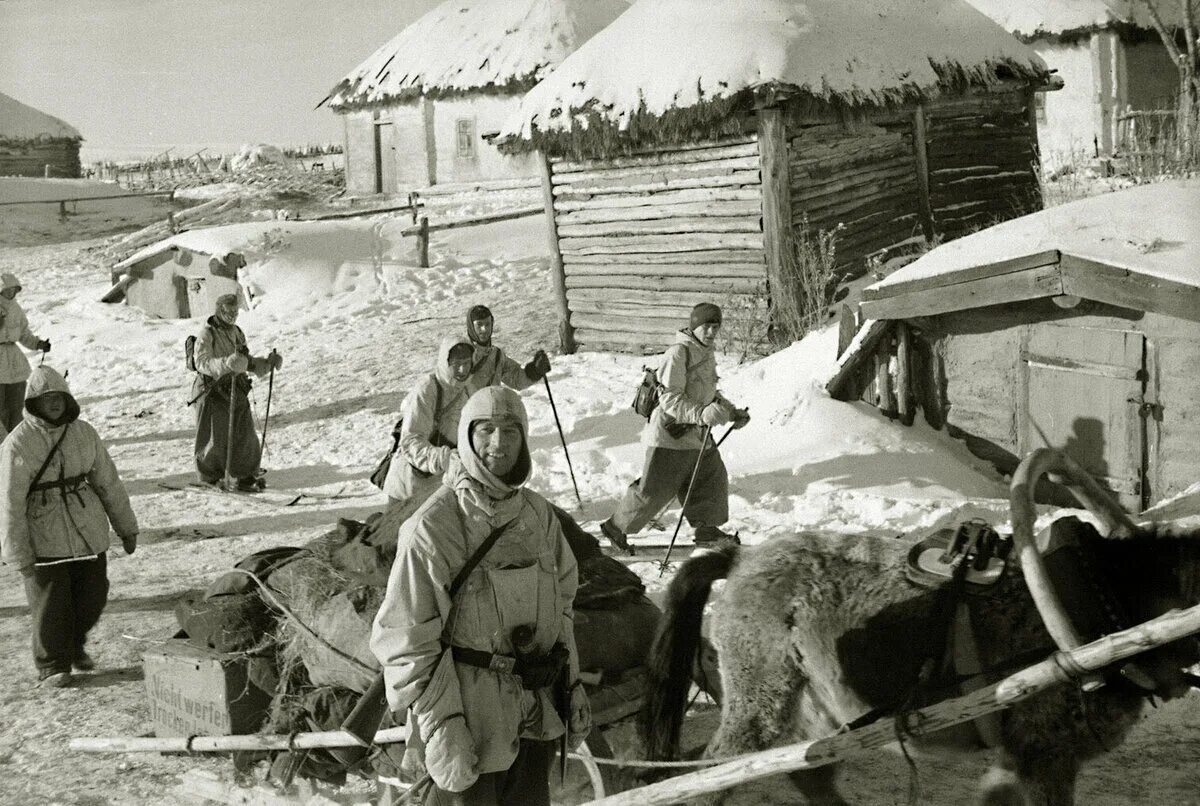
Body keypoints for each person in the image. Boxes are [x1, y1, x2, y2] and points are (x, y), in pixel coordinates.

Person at [370, 386, 590, 806]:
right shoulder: (434, 527)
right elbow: (405, 642)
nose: (498, 443)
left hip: (533, 715)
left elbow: (563, 605)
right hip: (467, 722)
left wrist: (572, 684)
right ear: (465, 437)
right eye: (485, 429)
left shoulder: (538, 515)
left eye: (511, 430)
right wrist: (442, 726)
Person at [0, 366, 138, 688]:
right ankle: (52, 665)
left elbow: (108, 482)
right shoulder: (17, 444)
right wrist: (18, 553)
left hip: (87, 530)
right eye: (46, 399)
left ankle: (74, 644)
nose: (54, 404)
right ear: (34, 402)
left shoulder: (84, 433)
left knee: (93, 596)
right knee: (50, 605)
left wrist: (126, 526)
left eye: (58, 397)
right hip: (43, 535)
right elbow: (9, 502)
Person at [601, 302, 749, 551]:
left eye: (716, 327)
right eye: (706, 327)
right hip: (671, 435)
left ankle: (707, 530)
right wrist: (703, 414)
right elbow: (669, 399)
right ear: (695, 326)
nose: (711, 332)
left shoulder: (706, 352)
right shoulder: (679, 353)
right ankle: (616, 527)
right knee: (655, 491)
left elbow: (708, 394)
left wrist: (731, 412)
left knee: (711, 477)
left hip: (697, 435)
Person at [191, 293, 282, 490]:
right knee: (215, 435)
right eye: (228, 312)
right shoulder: (207, 334)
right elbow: (201, 362)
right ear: (219, 311)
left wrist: (265, 364)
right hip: (212, 389)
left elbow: (244, 361)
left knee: (245, 432)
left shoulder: (237, 333)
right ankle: (211, 476)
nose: (232, 316)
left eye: (235, 312)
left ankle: (245, 474)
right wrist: (226, 363)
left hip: (235, 387)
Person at [380, 336, 475, 522]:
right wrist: (444, 458)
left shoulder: (467, 390)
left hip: (436, 486)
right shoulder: (428, 389)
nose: (463, 370)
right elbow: (410, 441)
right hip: (408, 485)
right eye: (457, 364)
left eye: (466, 363)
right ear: (445, 362)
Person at [0, 273, 52, 434]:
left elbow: (24, 334)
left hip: (14, 360)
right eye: (6, 290)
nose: (10, 293)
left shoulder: (16, 309)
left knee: (16, 404)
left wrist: (38, 343)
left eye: (13, 290)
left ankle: (15, 436)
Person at [463, 305, 551, 394]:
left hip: (492, 406)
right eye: (479, 324)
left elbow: (517, 380)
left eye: (487, 324)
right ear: (471, 326)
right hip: (468, 407)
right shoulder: (460, 354)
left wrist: (535, 370)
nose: (484, 329)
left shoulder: (496, 355)